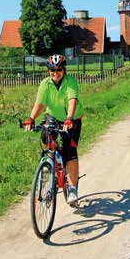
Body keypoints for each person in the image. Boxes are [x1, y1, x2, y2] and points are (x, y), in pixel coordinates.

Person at [23, 54, 84, 205]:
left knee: (69, 151)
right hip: (54, 116)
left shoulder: (70, 83)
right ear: (48, 70)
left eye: (58, 70)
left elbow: (72, 100)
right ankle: (52, 161)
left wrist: (69, 118)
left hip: (72, 119)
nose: (55, 73)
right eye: (52, 70)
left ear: (64, 70)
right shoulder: (45, 84)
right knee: (45, 136)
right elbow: (40, 103)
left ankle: (72, 188)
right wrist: (31, 118)